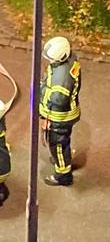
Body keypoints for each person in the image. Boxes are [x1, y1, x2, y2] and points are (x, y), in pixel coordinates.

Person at [39, 36, 81, 186]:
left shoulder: (61, 79)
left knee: (57, 144)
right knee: (63, 141)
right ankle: (64, 158)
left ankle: (63, 175)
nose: (50, 62)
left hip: (58, 118)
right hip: (69, 113)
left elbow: (57, 101)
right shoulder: (71, 59)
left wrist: (45, 118)